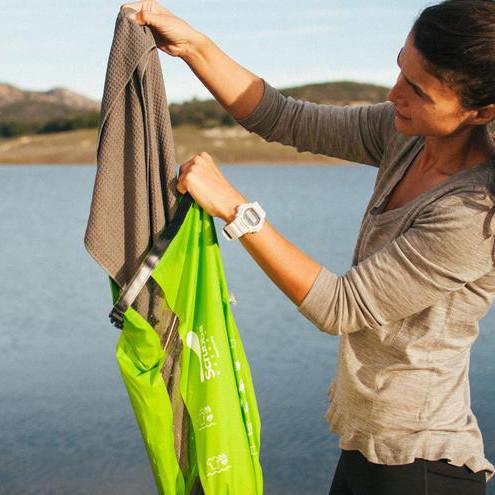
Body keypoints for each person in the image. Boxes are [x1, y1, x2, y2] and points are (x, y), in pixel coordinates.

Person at [122, 1, 495, 493]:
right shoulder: (406, 136)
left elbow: (341, 306)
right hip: (369, 452)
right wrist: (194, 45)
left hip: (420, 469)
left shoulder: (473, 214)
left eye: (418, 90)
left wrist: (236, 209)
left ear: (482, 111)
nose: (393, 93)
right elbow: (284, 118)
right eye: (401, 68)